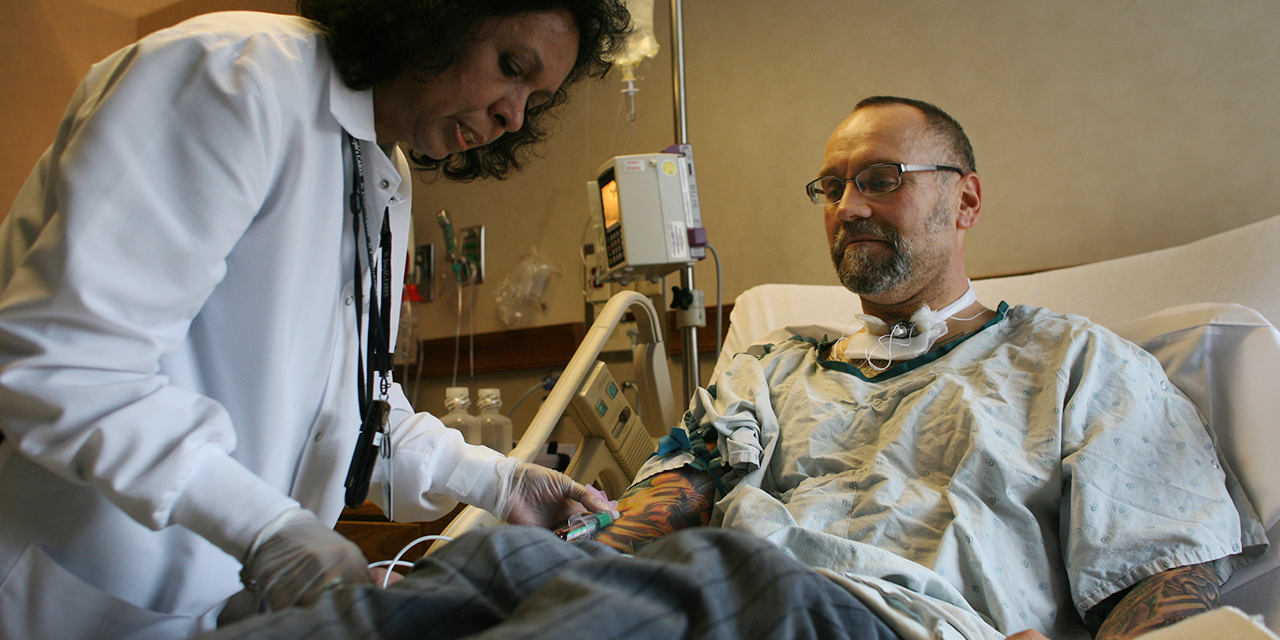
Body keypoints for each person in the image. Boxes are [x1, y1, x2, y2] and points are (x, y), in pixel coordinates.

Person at [197, 96, 1266, 640]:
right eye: (832, 186)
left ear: (964, 199)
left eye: (881, 180)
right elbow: (646, 519)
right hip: (726, 598)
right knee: (519, 568)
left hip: (892, 621)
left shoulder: (1078, 362)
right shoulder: (771, 365)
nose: (847, 208)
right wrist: (576, 549)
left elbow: (1156, 589)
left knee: (726, 571)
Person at [0, 1, 630, 638]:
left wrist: (501, 482)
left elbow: (353, 408)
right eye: (510, 67)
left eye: (535, 98)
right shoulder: (234, 75)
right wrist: (267, 529)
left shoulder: (382, 173)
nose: (513, 114)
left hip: (207, 604)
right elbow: (68, 368)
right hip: (63, 594)